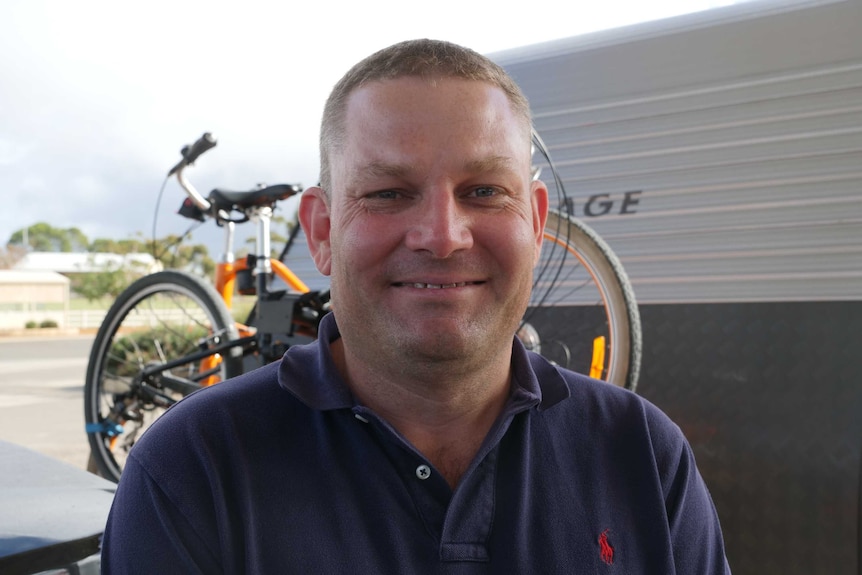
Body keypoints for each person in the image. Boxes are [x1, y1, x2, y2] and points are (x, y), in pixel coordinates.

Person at [101, 39, 731, 574]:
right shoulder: (192, 470)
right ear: (320, 231)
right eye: (388, 192)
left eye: (484, 190)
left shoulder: (644, 454)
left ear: (536, 225)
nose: (443, 234)